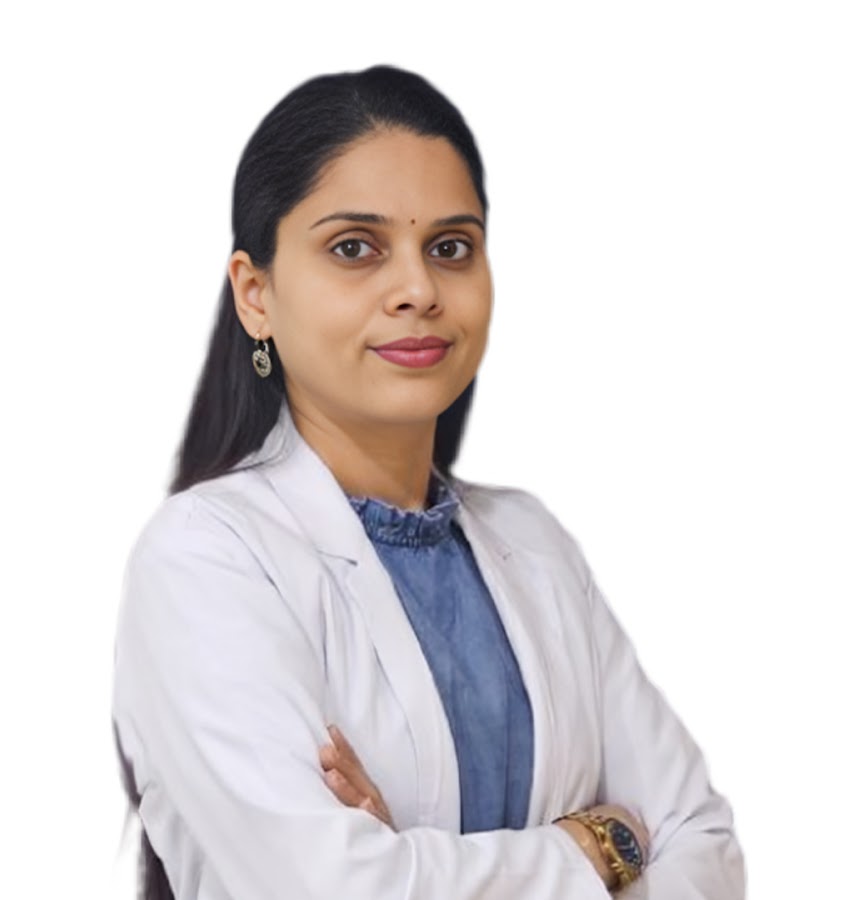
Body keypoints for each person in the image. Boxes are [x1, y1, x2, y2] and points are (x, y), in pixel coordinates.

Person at [112, 65, 745, 899]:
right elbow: (330, 890)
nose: (418, 289)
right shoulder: (206, 560)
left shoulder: (533, 544)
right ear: (255, 294)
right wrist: (600, 845)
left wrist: (413, 860)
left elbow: (707, 846)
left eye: (450, 248)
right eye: (354, 248)